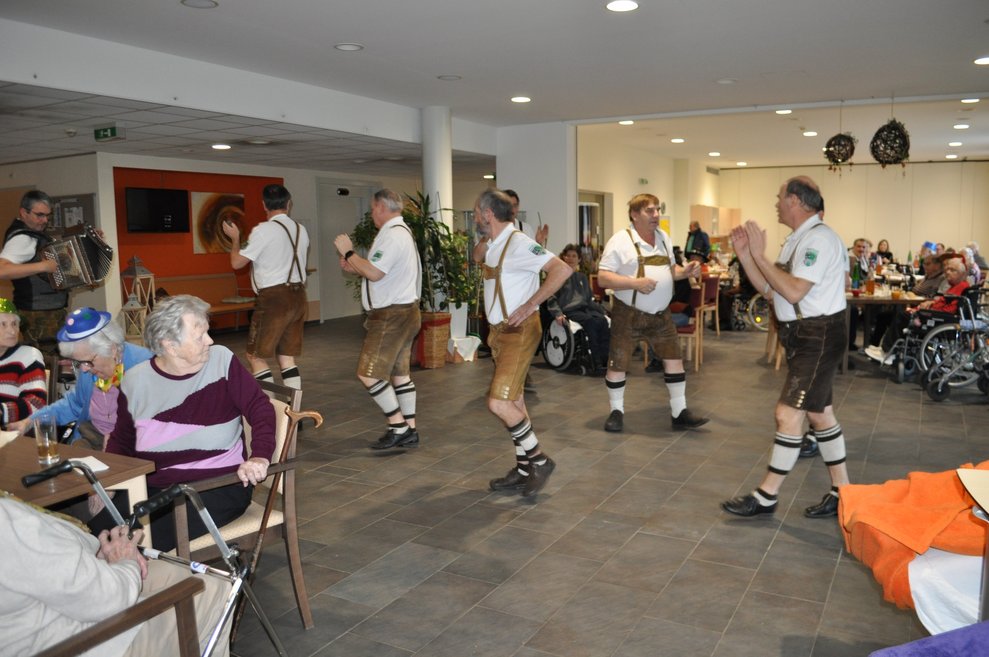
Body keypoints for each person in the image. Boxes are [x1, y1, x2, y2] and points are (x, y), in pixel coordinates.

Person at [97, 295, 275, 552]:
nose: (210, 341)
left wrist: (260, 456)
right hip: (154, 488)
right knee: (93, 533)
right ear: (170, 345)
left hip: (216, 487)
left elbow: (261, 408)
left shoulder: (221, 361)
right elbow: (122, 440)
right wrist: (109, 483)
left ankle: (153, 576)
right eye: (200, 336)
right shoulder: (135, 381)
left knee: (132, 542)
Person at [721, 176, 851, 519]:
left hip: (818, 335)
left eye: (780, 198)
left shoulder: (818, 239)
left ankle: (766, 496)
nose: (776, 204)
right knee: (819, 414)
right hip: (805, 334)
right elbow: (771, 290)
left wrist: (760, 255)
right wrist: (746, 256)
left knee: (787, 413)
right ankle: (843, 492)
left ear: (795, 200)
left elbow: (793, 291)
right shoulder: (799, 239)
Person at [0, 494, 231, 657]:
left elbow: (37, 566)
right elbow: (107, 600)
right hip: (82, 643)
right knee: (211, 587)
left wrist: (93, 556)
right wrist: (125, 562)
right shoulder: (11, 526)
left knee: (173, 572)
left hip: (42, 623)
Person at [475, 189, 570, 497]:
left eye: (477, 212)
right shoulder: (495, 243)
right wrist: (485, 238)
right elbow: (477, 257)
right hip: (500, 332)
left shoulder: (518, 243)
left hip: (519, 331)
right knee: (515, 402)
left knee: (499, 403)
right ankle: (524, 469)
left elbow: (562, 269)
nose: (475, 217)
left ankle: (539, 461)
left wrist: (532, 304)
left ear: (488, 213)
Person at [597, 193, 709, 434]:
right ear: (634, 215)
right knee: (618, 362)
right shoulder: (620, 241)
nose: (656, 215)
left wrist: (686, 271)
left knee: (674, 358)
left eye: (657, 209)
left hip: (661, 314)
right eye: (650, 210)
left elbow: (671, 271)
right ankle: (616, 412)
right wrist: (634, 283)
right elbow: (603, 277)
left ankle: (679, 412)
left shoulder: (663, 238)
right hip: (628, 314)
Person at [334, 189, 422, 451]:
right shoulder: (399, 232)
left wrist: (349, 253)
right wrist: (355, 265)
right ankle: (410, 429)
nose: (372, 213)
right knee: (400, 375)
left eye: (373, 208)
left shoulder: (393, 235)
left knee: (368, 374)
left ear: (382, 207)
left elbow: (374, 273)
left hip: (391, 317)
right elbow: (380, 272)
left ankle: (399, 426)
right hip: (405, 312)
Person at [9, 307, 153, 448]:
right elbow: (73, 404)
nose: (83, 369)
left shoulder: (145, 366)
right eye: (78, 362)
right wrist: (29, 422)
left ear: (112, 349)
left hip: (133, 443)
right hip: (92, 438)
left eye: (88, 362)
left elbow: (157, 425)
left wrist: (118, 443)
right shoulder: (89, 370)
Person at [223, 183, 309, 390]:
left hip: (273, 299)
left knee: (255, 356)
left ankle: (268, 407)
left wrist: (235, 239)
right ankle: (294, 407)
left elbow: (237, 263)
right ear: (289, 203)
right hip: (298, 296)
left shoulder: (263, 230)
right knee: (286, 357)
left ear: (264, 205)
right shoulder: (301, 230)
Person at [865, 255, 970, 363]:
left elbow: (949, 310)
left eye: (952, 270)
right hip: (933, 313)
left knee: (901, 315)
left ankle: (887, 352)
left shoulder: (961, 287)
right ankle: (886, 349)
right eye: (947, 269)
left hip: (937, 318)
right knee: (895, 314)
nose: (947, 272)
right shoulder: (955, 286)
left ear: (962, 273)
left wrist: (929, 310)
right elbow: (944, 302)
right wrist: (931, 303)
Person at [0, 190, 64, 347]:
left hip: (47, 312)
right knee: (45, 359)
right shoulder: (22, 238)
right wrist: (43, 266)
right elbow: (2, 270)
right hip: (38, 314)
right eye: (40, 215)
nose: (45, 220)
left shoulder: (35, 234)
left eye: (47, 216)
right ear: (24, 213)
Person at [546, 244, 610, 372]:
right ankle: (596, 363)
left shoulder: (582, 278)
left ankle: (605, 360)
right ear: (563, 257)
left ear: (579, 259)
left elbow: (589, 300)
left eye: (574, 256)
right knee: (591, 323)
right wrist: (557, 313)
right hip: (569, 310)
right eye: (568, 255)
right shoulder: (557, 276)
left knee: (602, 320)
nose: (570, 258)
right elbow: (550, 298)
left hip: (585, 309)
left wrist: (603, 311)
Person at [0, 298, 45, 429]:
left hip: (12, 433)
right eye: (3, 324)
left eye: (14, 324)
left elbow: (37, 403)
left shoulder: (28, 356)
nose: (12, 331)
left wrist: (2, 412)